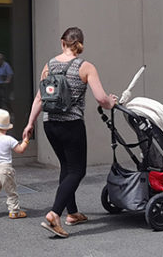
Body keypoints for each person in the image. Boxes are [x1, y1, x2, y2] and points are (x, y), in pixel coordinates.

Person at [22, 27, 117, 238]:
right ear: (81, 44)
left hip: (50, 124)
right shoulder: (86, 67)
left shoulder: (49, 65)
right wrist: (111, 102)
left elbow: (39, 98)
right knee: (77, 171)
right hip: (71, 125)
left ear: (62, 42)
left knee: (66, 166)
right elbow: (101, 98)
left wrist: (30, 124)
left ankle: (72, 213)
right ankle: (54, 214)